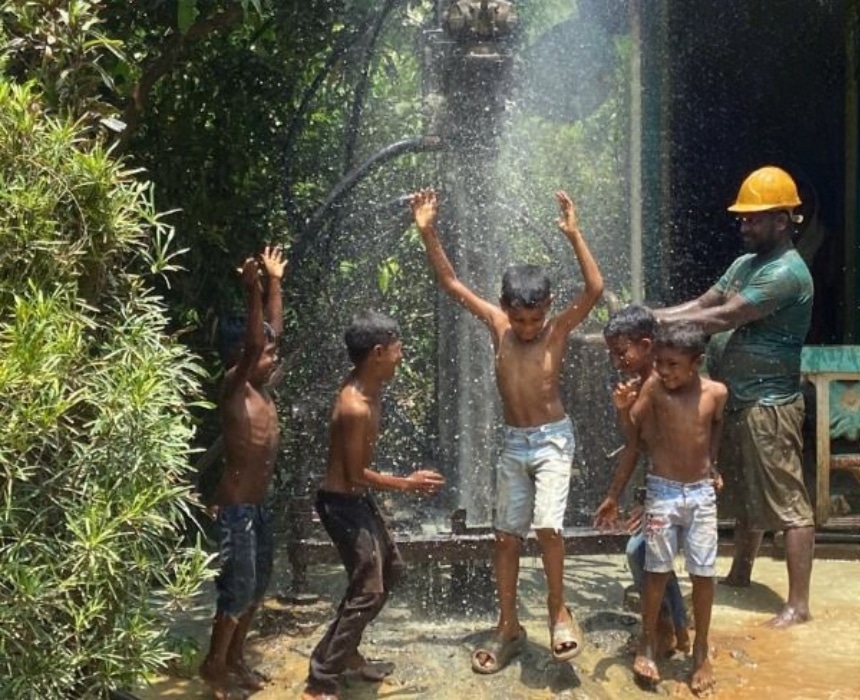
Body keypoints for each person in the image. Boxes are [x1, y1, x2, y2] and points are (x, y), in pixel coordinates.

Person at [410, 188, 604, 673]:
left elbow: (595, 290)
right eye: (519, 319)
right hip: (515, 443)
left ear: (549, 308)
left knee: (548, 526)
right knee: (505, 537)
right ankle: (509, 626)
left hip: (553, 438)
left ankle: (558, 611)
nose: (527, 327)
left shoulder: (557, 329)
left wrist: (575, 235)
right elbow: (452, 283)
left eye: (534, 318)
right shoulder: (498, 325)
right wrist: (429, 232)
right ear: (505, 308)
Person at [654, 165, 815, 629]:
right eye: (742, 218)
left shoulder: (786, 272)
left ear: (782, 220)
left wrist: (654, 323)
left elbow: (723, 318)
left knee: (787, 502)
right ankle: (741, 573)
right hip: (739, 399)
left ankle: (798, 604)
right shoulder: (746, 265)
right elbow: (704, 304)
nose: (744, 225)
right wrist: (655, 315)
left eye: (753, 218)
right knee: (744, 492)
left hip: (769, 403)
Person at [301, 310, 445, 700]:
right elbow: (355, 474)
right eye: (397, 348)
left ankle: (345, 652)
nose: (402, 355)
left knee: (390, 571)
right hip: (341, 504)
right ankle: (320, 680)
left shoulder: (373, 386)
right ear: (378, 353)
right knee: (367, 590)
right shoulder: (354, 405)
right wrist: (408, 484)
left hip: (356, 500)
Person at [617, 322, 727, 693]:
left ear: (697, 362)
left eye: (673, 364)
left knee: (703, 573)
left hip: (700, 494)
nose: (664, 371)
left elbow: (715, 427)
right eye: (660, 363)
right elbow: (633, 434)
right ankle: (648, 642)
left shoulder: (716, 393)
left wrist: (713, 465)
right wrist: (623, 410)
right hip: (662, 491)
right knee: (656, 570)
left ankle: (700, 652)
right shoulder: (654, 388)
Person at [199, 246, 287, 700]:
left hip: (257, 506)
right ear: (241, 356)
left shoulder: (259, 385)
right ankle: (214, 666)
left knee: (256, 587)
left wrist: (274, 282)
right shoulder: (234, 386)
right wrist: (252, 290)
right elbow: (257, 344)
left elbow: (270, 333)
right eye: (267, 355)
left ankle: (235, 659)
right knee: (235, 590)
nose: (274, 357)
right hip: (235, 510)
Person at [594, 305, 690, 657]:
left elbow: (681, 440)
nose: (616, 360)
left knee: (642, 552)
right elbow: (635, 442)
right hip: (662, 486)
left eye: (621, 352)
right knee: (648, 553)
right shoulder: (642, 385)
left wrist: (652, 500)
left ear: (646, 345)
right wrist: (614, 495)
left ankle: (669, 627)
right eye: (611, 353)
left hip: (683, 487)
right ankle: (675, 627)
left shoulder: (667, 383)